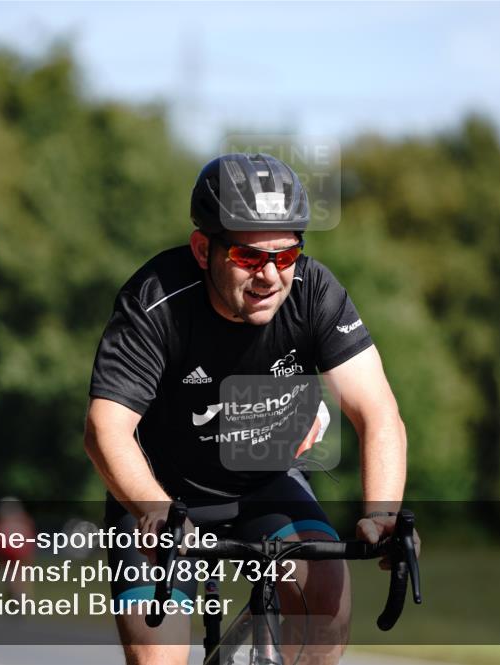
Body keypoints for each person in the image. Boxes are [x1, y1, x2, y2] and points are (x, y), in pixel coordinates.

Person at [85, 153, 409, 665]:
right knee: (158, 659)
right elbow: (105, 429)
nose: (270, 276)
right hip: (162, 493)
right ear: (202, 248)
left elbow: (377, 411)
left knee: (327, 603)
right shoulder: (156, 299)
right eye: (248, 257)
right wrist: (154, 508)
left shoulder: (315, 292)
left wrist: (382, 514)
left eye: (285, 256)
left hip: (263, 483)